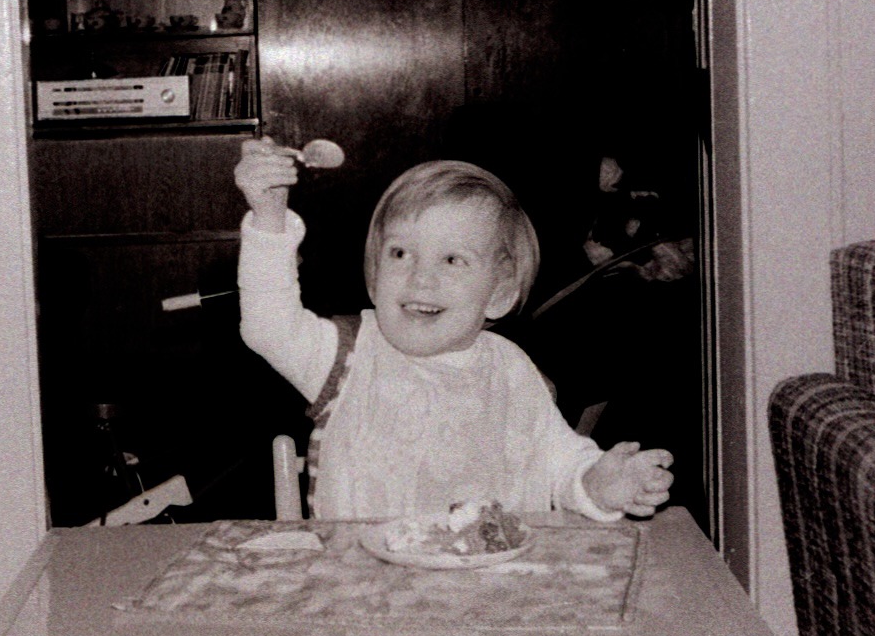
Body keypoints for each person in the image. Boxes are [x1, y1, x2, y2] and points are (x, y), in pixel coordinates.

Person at [234, 138, 674, 521]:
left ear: (500, 293)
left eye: (452, 260)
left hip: (487, 592)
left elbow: (559, 462)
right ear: (373, 274)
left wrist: (596, 483)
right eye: (401, 253)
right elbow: (268, 325)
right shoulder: (345, 354)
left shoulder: (512, 371)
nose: (421, 278)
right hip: (366, 595)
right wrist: (269, 217)